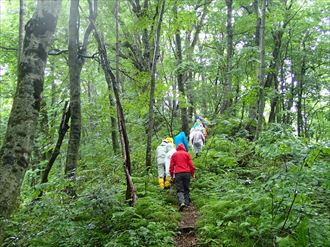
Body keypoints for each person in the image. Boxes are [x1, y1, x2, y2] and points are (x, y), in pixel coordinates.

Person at [170, 144, 195, 211]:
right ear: (184, 148)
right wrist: (193, 174)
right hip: (187, 173)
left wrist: (172, 175)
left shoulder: (174, 155)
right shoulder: (187, 154)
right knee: (186, 188)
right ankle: (187, 203)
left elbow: (171, 166)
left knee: (179, 189)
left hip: (178, 173)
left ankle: (182, 202)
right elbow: (191, 165)